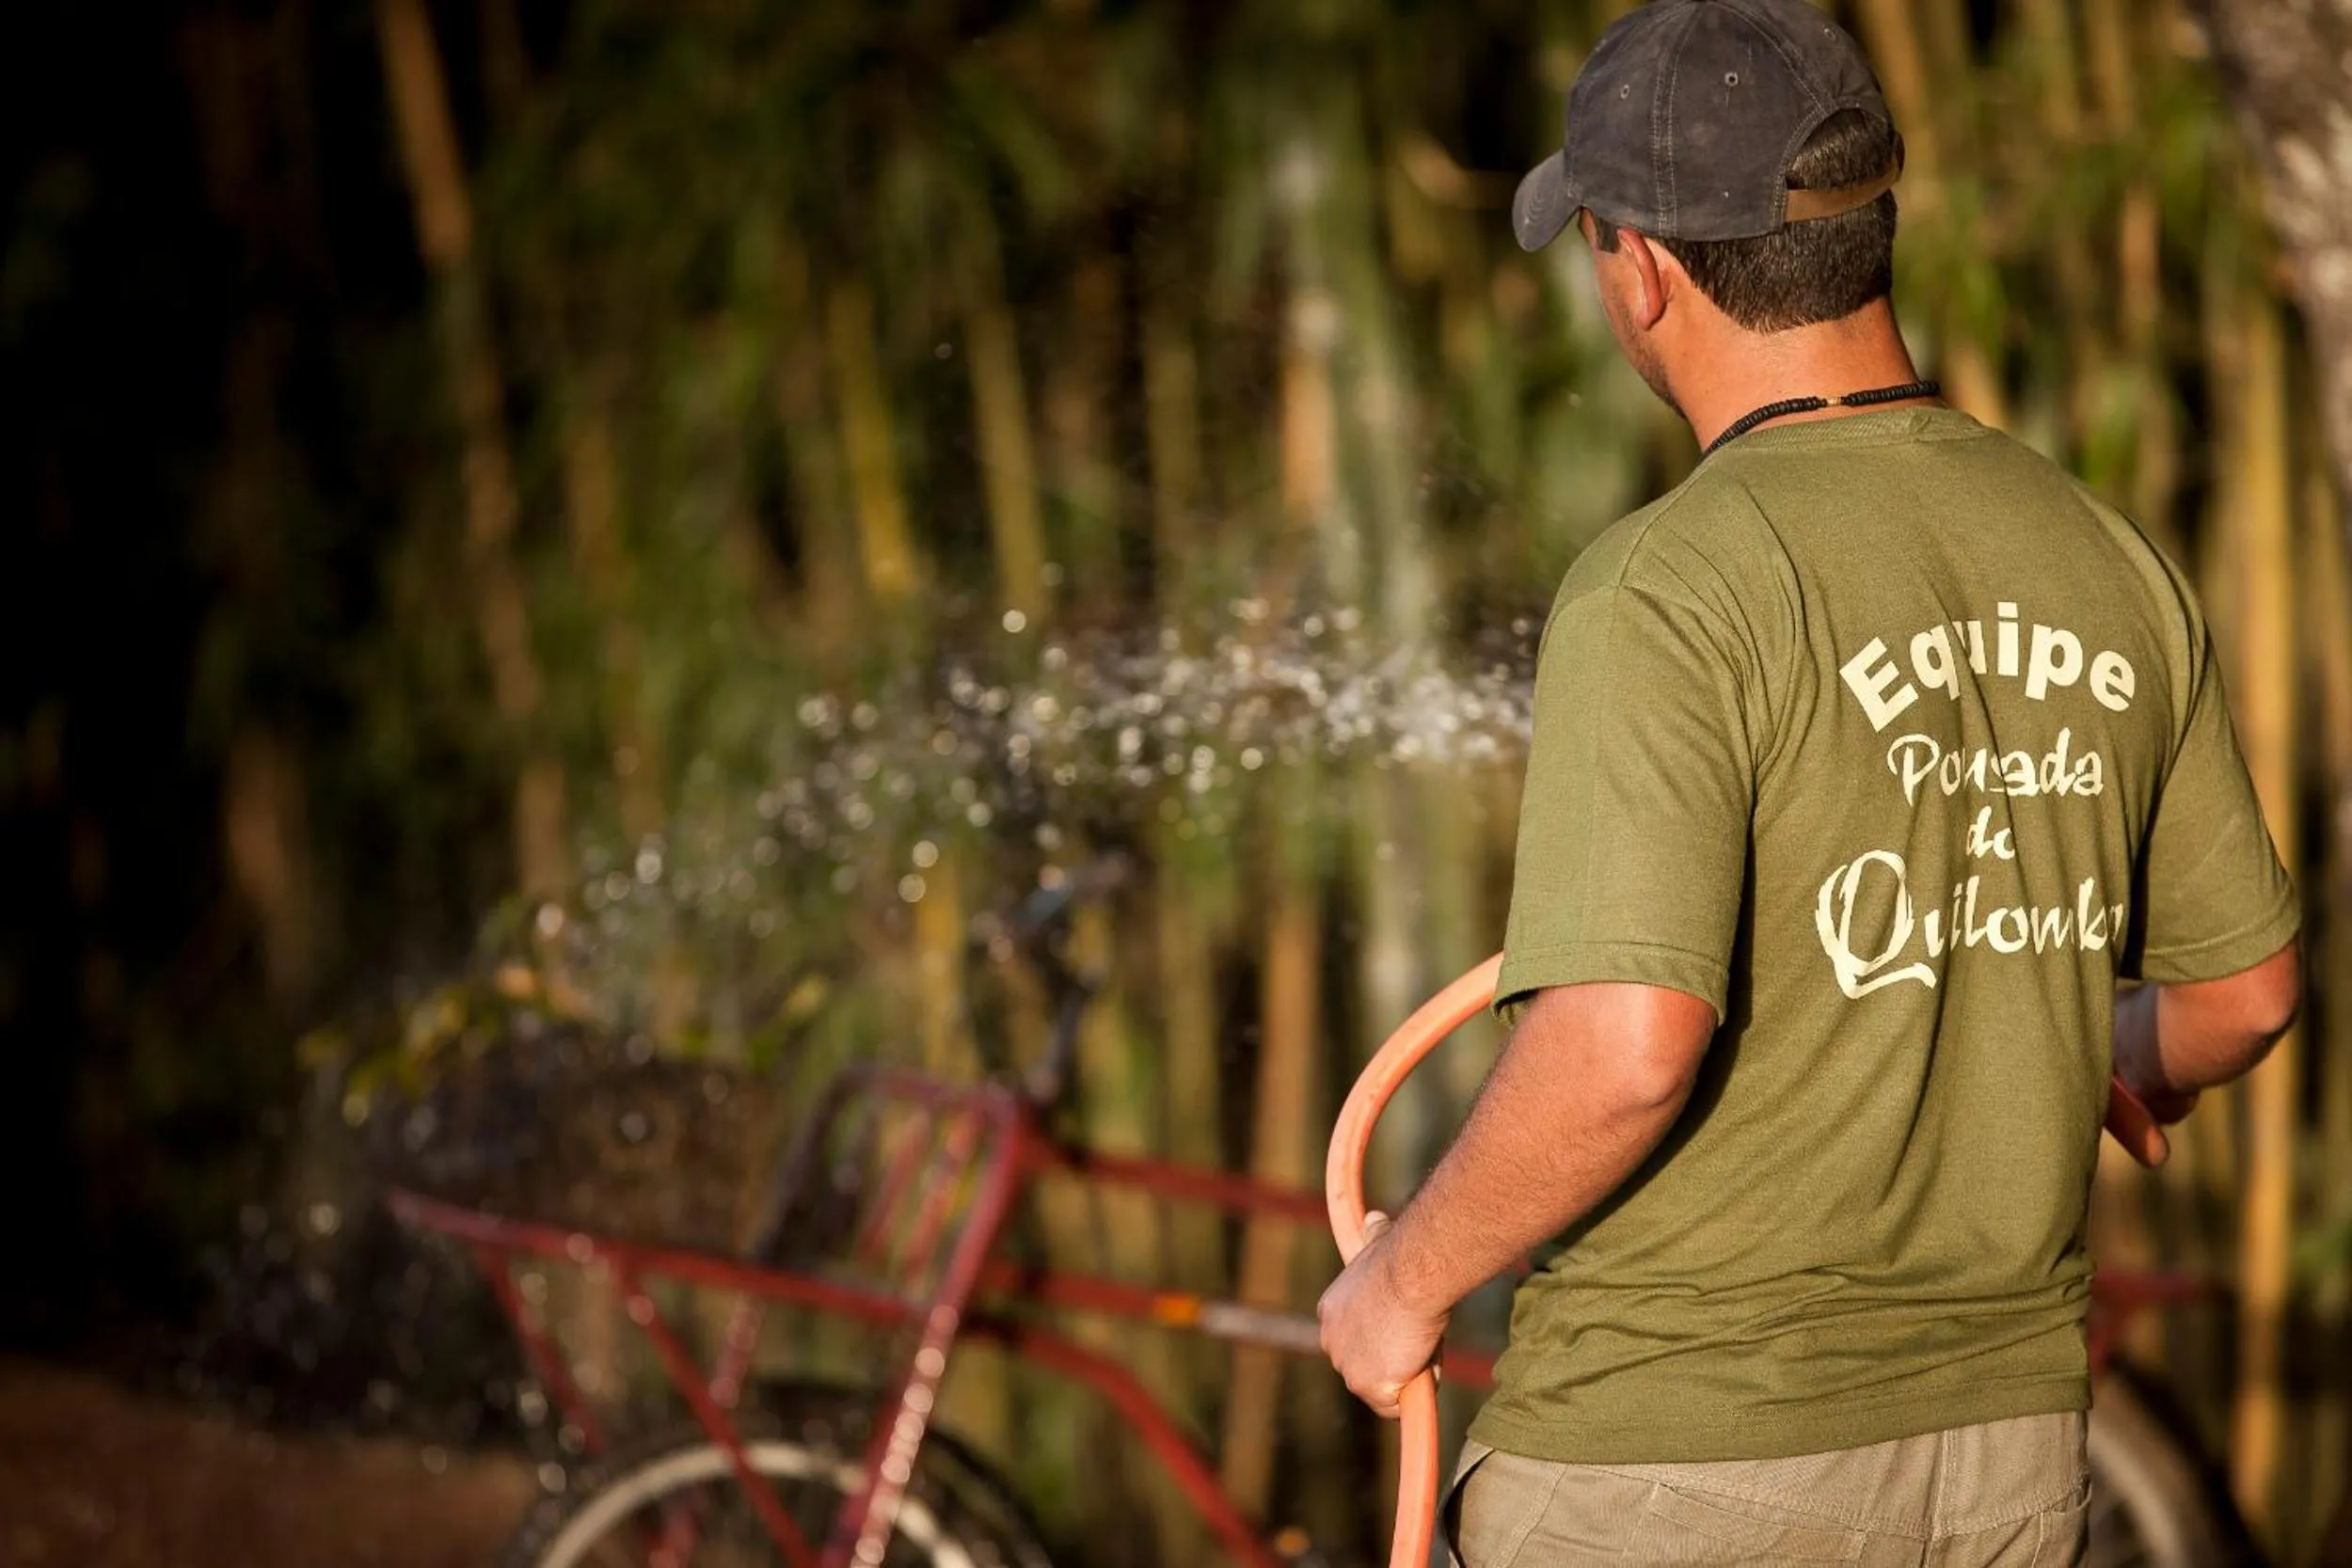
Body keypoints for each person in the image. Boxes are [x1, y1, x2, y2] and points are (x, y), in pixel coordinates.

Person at [1315, 2, 2303, 1563]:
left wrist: (1402, 1282)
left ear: (1640, 265)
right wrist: (2099, 1039)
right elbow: (2244, 993)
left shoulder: (1668, 586)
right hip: (2006, 1463)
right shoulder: (2106, 555)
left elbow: (1627, 1048)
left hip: (1672, 1463)